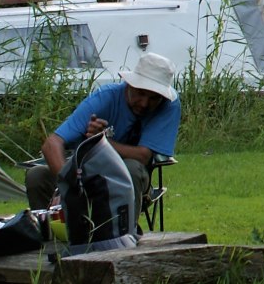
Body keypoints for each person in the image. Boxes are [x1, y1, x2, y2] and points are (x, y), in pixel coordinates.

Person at [24, 52, 182, 211]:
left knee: (131, 168)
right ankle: (51, 232)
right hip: (85, 174)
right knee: (37, 175)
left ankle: (122, 233)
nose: (144, 103)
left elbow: (143, 156)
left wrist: (100, 142)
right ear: (129, 84)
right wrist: (68, 186)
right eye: (140, 93)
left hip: (130, 180)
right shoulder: (105, 98)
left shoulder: (169, 105)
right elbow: (52, 144)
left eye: (154, 98)